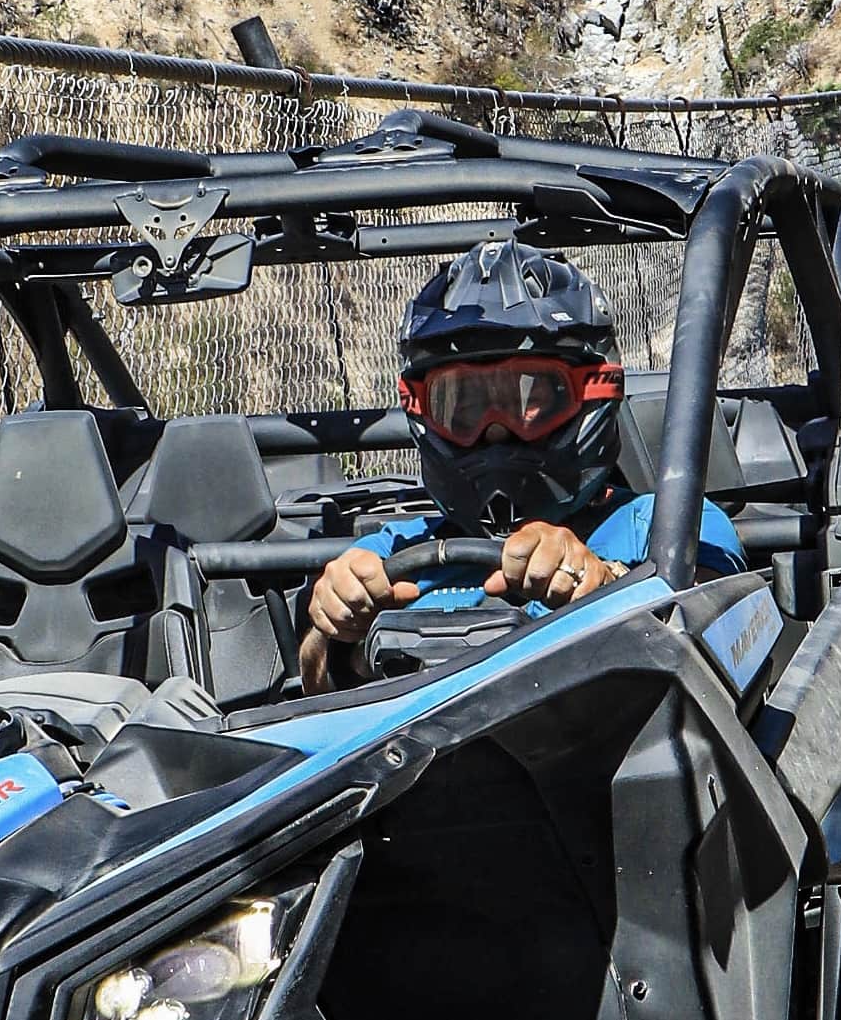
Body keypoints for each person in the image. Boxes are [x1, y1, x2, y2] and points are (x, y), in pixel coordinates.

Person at [297, 240, 747, 693]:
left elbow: (721, 636)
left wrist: (607, 584)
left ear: (592, 394)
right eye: (464, 405)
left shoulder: (670, 527)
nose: (495, 431)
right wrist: (336, 629)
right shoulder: (395, 549)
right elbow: (313, 683)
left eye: (529, 398)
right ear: (423, 411)